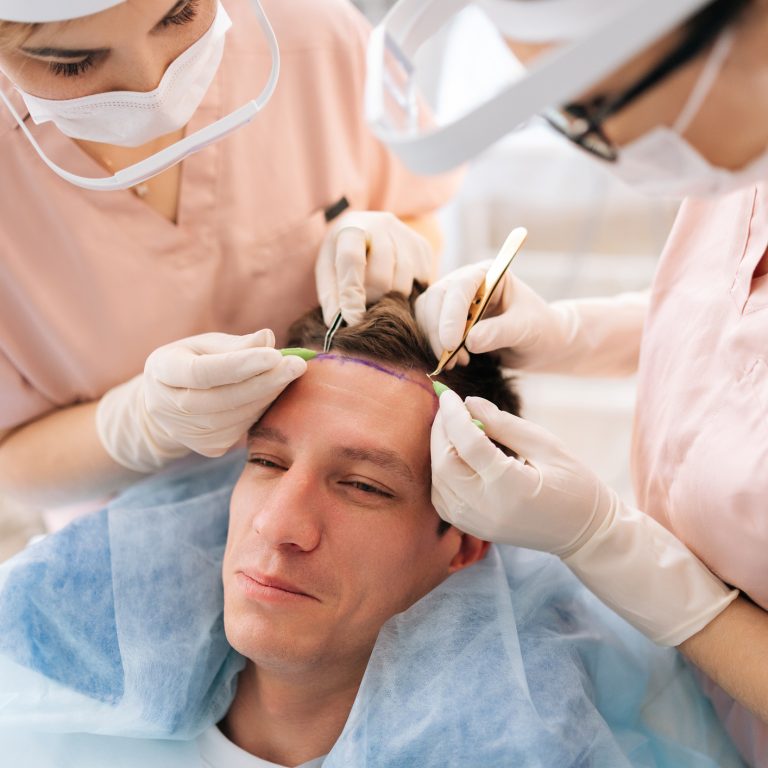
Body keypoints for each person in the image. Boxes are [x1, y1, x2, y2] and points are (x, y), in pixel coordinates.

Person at [0, 290, 747, 767]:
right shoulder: (46, 718)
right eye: (265, 461)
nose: (280, 524)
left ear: (463, 540)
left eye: (363, 485)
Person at [367, 0, 768, 764]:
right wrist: (567, 333)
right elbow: (734, 312)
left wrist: (606, 544)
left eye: (590, 104)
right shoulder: (745, 137)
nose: (600, 146)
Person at [0, 0, 456, 518]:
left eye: (178, 16)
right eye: (71, 61)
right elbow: (9, 462)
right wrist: (139, 424)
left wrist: (393, 250)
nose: (151, 83)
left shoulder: (314, 36)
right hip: (125, 528)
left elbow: (416, 209)